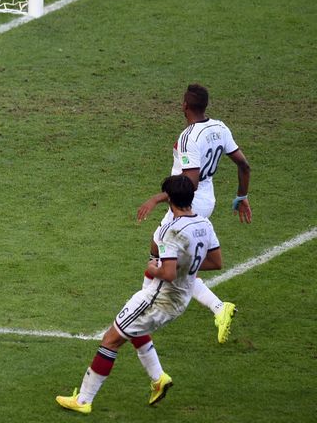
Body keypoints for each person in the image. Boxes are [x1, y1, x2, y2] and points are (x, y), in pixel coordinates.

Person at [56, 175, 223, 414]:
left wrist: (152, 267)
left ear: (170, 201)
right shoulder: (204, 225)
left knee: (110, 339)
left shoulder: (170, 230)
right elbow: (216, 262)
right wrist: (183, 268)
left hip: (159, 299)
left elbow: (165, 273)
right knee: (134, 329)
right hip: (181, 298)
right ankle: (158, 378)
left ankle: (83, 400)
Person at [137, 84, 251, 343]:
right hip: (206, 198)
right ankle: (212, 306)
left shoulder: (190, 137)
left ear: (185, 106)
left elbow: (190, 181)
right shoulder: (219, 128)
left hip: (188, 199)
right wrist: (242, 196)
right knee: (161, 249)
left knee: (162, 252)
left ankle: (213, 307)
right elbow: (244, 165)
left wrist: (158, 197)